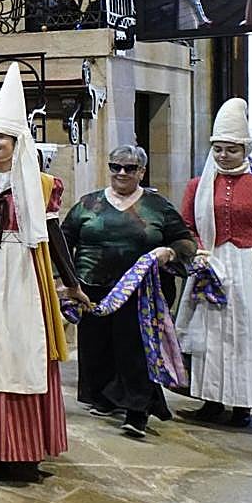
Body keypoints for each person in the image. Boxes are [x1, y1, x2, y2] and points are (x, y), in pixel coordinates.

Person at [0, 64, 90, 484]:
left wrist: (72, 283)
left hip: (26, 281)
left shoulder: (43, 186)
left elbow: (55, 237)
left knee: (26, 356)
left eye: (0, 136)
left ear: (16, 141)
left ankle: (24, 451)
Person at [61, 145, 195, 437]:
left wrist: (168, 253)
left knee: (134, 348)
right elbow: (63, 239)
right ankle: (107, 398)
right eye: (115, 167)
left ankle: (137, 411)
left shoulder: (157, 207)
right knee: (99, 348)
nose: (121, 173)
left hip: (140, 291)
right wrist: (65, 281)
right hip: (92, 289)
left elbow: (186, 242)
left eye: (130, 168)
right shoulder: (88, 204)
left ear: (142, 172)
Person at [177, 98, 252, 428]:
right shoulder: (198, 186)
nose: (224, 156)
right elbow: (186, 224)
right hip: (210, 263)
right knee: (209, 334)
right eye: (219, 149)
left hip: (247, 266)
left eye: (232, 150)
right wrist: (198, 252)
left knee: (243, 333)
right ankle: (210, 399)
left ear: (245, 150)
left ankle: (242, 403)